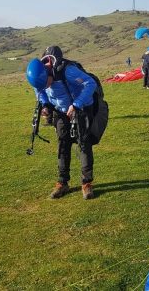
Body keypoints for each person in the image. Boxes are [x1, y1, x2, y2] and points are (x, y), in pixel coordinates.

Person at [26, 46, 97, 200]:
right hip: (60, 111)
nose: (47, 87)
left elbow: (90, 84)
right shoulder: (38, 77)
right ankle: (62, 183)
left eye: (47, 83)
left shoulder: (68, 71)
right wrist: (45, 105)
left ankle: (86, 183)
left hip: (80, 108)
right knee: (62, 144)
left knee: (83, 144)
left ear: (48, 72)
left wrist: (77, 104)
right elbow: (40, 92)